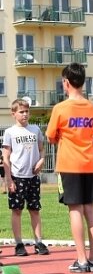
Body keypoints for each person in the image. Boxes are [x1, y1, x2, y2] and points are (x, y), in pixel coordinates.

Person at [45, 63, 93, 273]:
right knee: (91, 209)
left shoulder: (60, 108)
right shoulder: (91, 107)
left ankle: (81, 259)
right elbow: (91, 131)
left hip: (69, 164)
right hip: (88, 163)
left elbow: (51, 136)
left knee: (75, 210)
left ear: (66, 83)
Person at [3, 98, 49, 256]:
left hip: (33, 177)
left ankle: (38, 242)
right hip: (17, 176)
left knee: (34, 209)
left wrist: (42, 160)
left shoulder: (35, 129)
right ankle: (19, 243)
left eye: (27, 111)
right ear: (13, 114)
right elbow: (6, 157)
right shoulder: (10, 132)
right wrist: (9, 179)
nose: (25, 114)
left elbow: (42, 149)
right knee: (16, 210)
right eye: (21, 112)